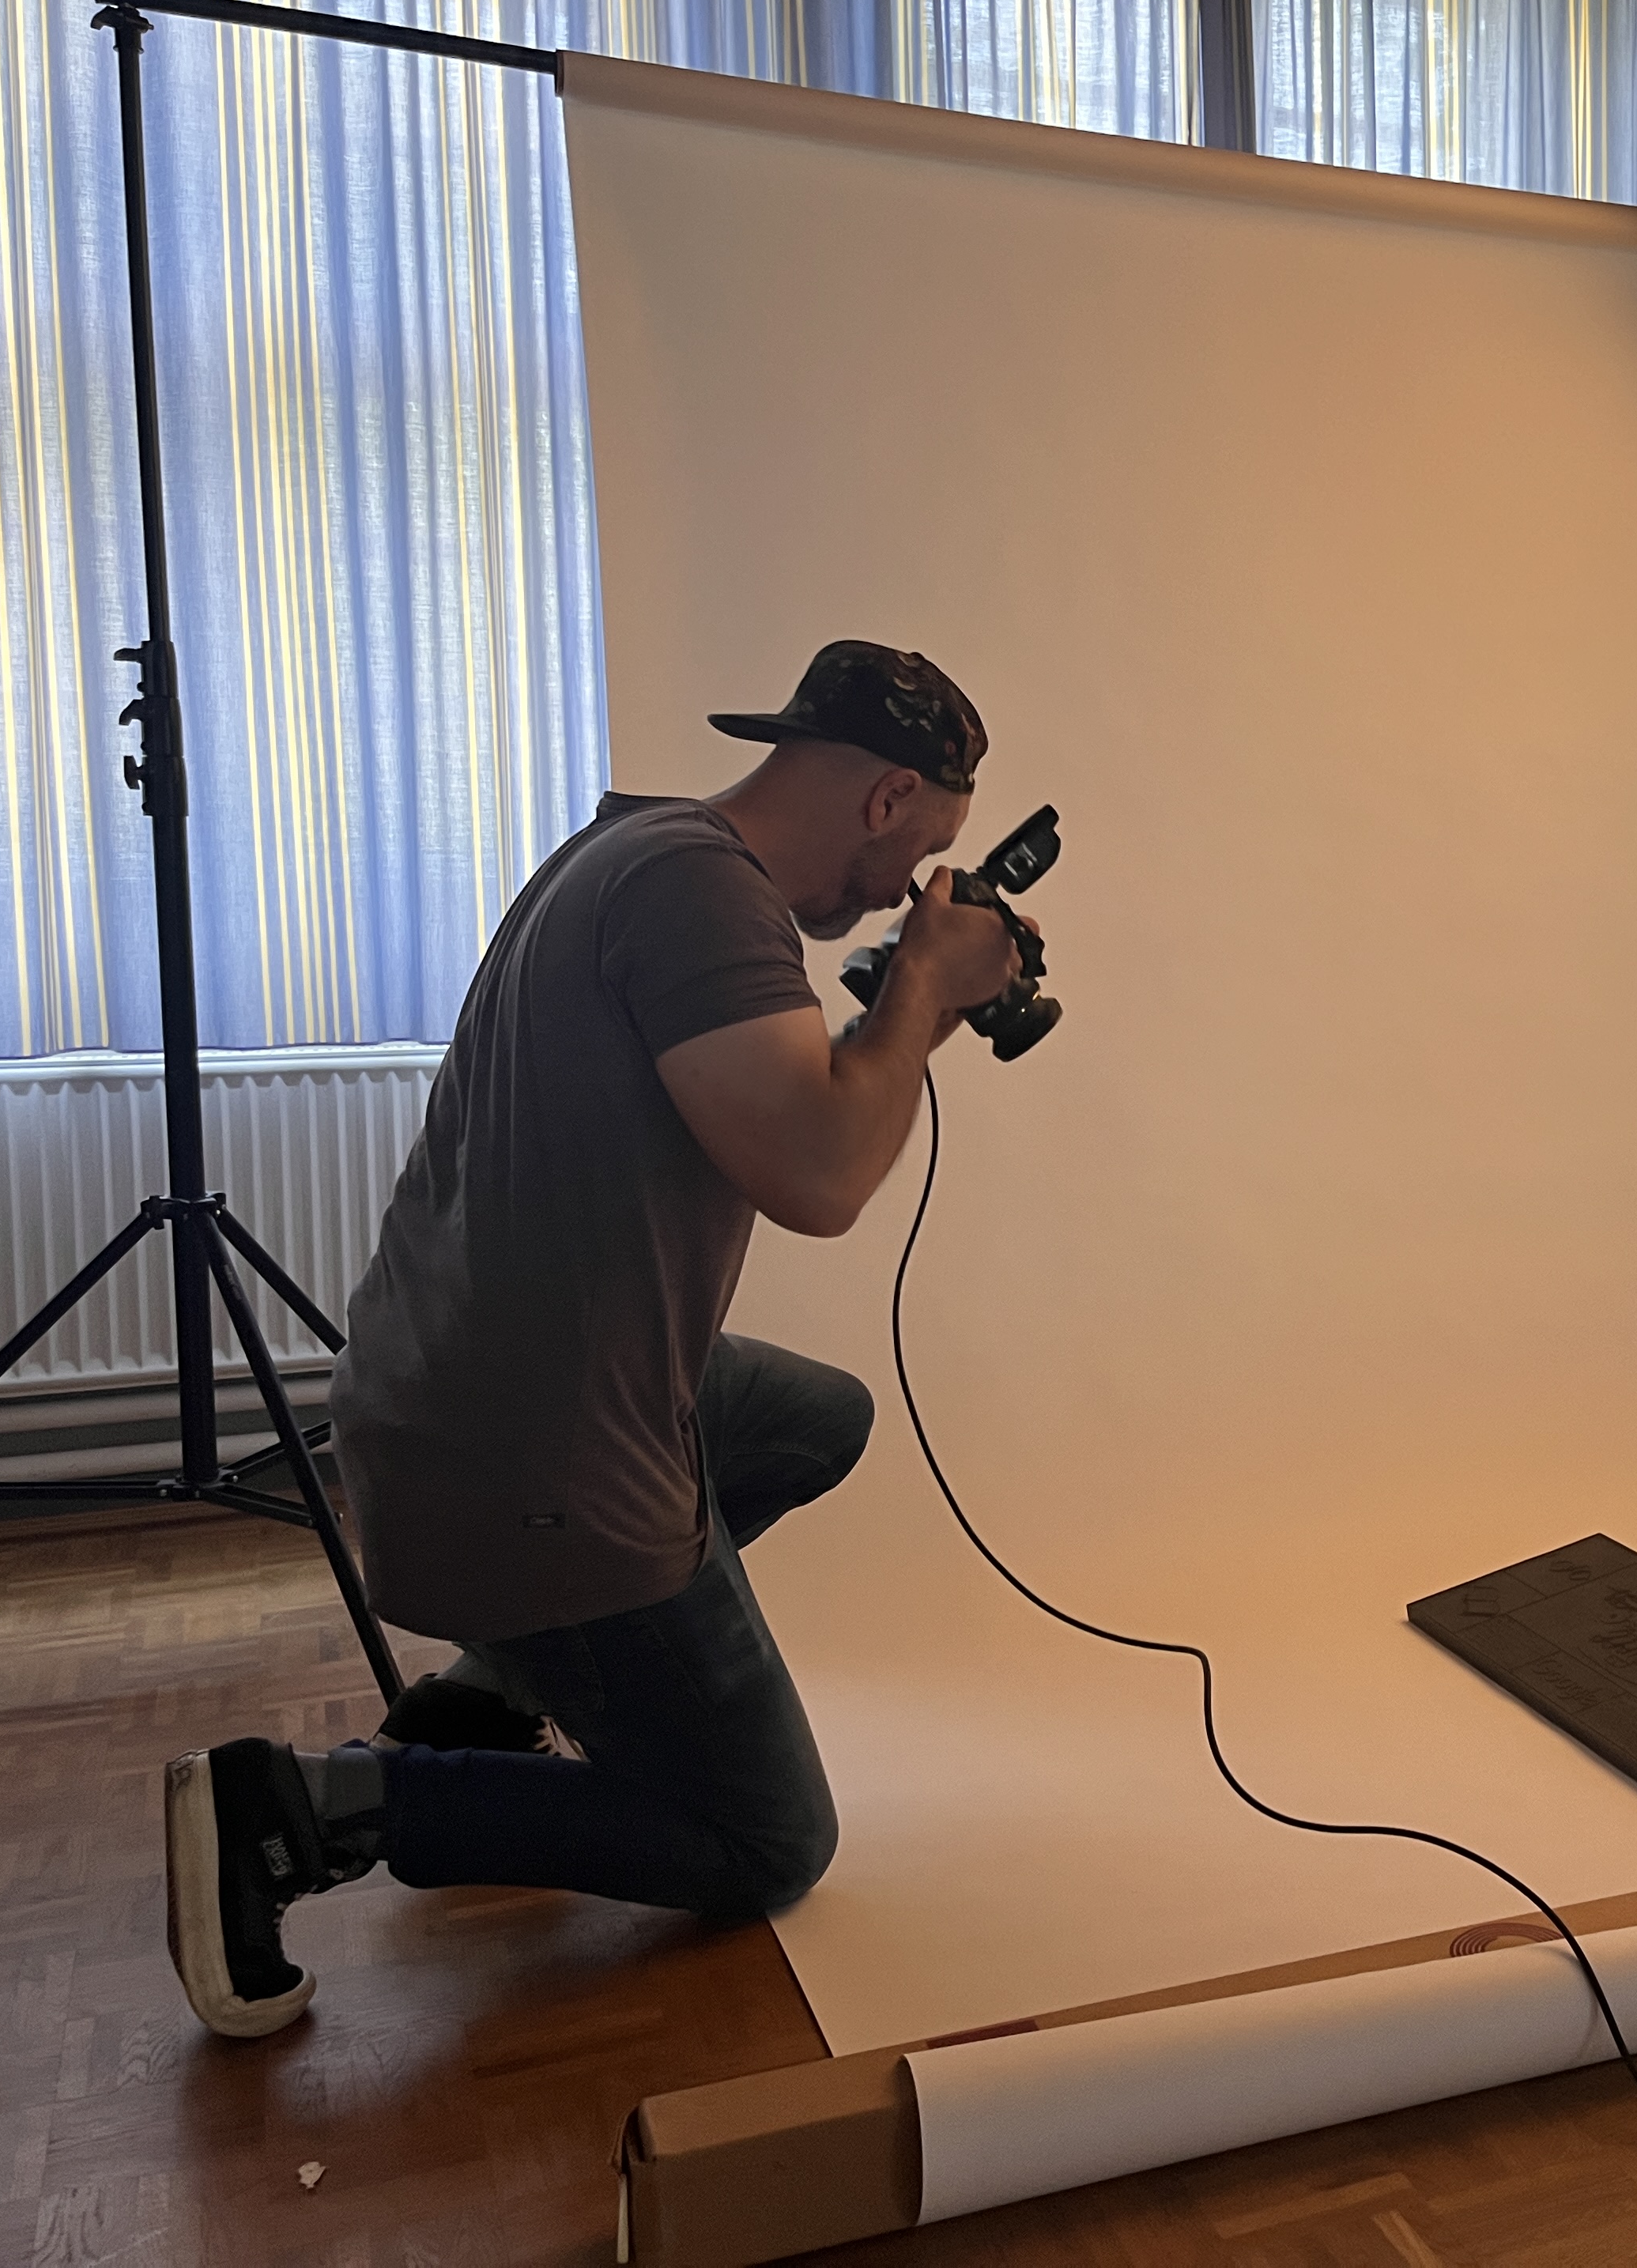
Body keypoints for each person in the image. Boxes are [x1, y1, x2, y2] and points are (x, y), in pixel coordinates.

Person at [160, 640, 1027, 2038]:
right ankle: (309, 1810)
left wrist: (893, 1007)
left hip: (450, 1387)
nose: (898, 892)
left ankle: (495, 1695)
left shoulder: (637, 848)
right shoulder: (705, 900)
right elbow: (819, 1179)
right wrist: (922, 989)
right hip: (533, 1451)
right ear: (887, 802)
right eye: (916, 851)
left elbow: (788, 1098)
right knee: (764, 1844)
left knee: (818, 1418)